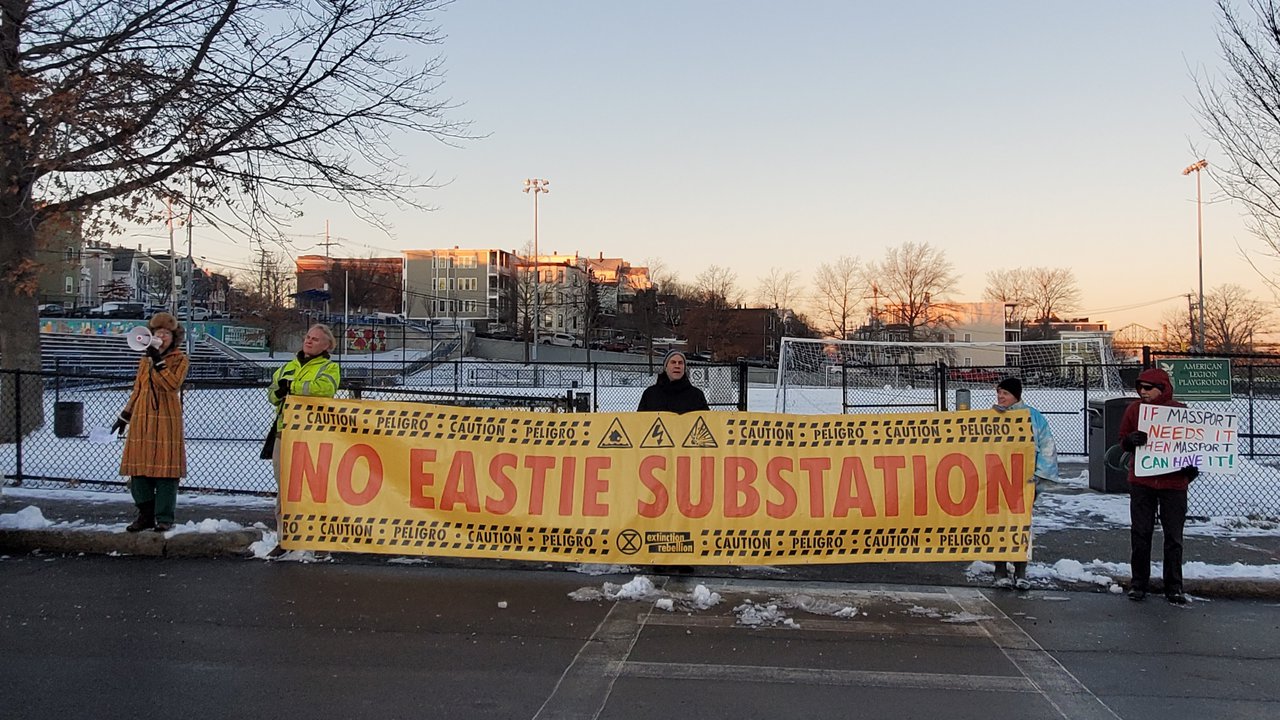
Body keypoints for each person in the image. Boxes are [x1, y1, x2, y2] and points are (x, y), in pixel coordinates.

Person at [1119, 367, 1197, 604]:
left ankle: (1174, 586)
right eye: (1140, 388)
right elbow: (1122, 440)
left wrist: (1190, 468)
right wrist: (1130, 441)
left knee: (1174, 537)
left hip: (1173, 483)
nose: (1143, 392)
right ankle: (1138, 583)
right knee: (1141, 533)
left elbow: (1194, 444)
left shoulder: (1179, 412)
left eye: (1149, 388)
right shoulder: (1134, 410)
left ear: (1162, 389)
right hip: (1142, 482)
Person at [111, 312, 189, 532]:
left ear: (173, 338)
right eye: (158, 333)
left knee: (166, 471)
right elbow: (138, 389)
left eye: (166, 334)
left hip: (166, 421)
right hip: (142, 420)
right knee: (138, 470)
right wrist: (125, 415)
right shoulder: (144, 360)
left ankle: (164, 516)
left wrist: (158, 361)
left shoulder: (180, 360)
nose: (161, 337)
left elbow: (172, 385)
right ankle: (145, 514)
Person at [990, 377, 1059, 591]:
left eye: (1006, 394)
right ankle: (999, 569)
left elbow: (1047, 447)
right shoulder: (990, 417)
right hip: (997, 481)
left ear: (1016, 396)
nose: (1001, 397)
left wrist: (1038, 478)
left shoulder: (1033, 417)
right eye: (999, 393)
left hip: (1025, 482)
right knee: (996, 523)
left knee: (1022, 524)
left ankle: (1020, 570)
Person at [267, 324, 341, 485]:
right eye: (308, 337)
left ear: (326, 346)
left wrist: (291, 386)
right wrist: (278, 393)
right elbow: (271, 394)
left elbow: (324, 389)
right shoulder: (287, 367)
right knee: (283, 481)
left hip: (313, 432)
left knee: (309, 483)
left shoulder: (329, 367)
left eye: (315, 339)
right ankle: (282, 511)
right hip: (284, 430)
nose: (309, 341)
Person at [637, 350, 709, 413]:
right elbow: (640, 422)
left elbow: (707, 422)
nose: (677, 366)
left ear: (684, 368)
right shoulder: (650, 394)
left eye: (680, 363)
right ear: (666, 367)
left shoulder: (696, 395)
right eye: (673, 362)